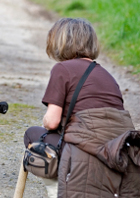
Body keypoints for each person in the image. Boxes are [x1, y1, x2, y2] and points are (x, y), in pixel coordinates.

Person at [23, 18, 140, 197]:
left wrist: (47, 121)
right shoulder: (107, 75)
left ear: (60, 42)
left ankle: (56, 189)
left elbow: (52, 122)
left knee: (32, 134)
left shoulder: (62, 69)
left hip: (86, 151)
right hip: (119, 152)